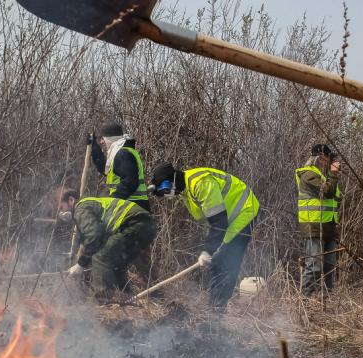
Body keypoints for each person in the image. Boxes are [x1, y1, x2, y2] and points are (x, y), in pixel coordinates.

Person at [147, 163, 260, 311]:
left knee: (224, 260)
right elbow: (211, 219)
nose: (167, 196)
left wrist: (208, 250)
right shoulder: (186, 190)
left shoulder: (201, 183)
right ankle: (214, 307)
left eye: (165, 191)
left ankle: (217, 311)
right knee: (217, 261)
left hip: (244, 212)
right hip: (227, 220)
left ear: (171, 183)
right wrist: (211, 248)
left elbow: (218, 221)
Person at [57, 189, 155, 301]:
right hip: (146, 225)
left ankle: (104, 300)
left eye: (61, 208)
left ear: (71, 200)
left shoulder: (80, 208)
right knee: (116, 264)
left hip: (133, 224)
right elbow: (93, 239)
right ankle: (127, 299)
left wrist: (81, 264)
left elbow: (93, 236)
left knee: (100, 257)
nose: (61, 213)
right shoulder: (89, 204)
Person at [296, 144, 342, 297]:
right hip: (313, 227)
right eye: (325, 159)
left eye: (328, 160)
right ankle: (305, 301)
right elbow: (327, 192)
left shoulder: (324, 176)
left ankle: (327, 302)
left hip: (329, 228)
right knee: (314, 267)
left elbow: (335, 200)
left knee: (330, 267)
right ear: (317, 158)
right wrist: (334, 173)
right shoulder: (308, 174)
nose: (327, 163)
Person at [89, 122, 149, 211]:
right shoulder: (120, 152)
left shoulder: (122, 154)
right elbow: (105, 169)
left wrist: (112, 200)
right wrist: (94, 146)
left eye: (102, 138)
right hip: (131, 205)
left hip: (132, 207)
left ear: (109, 139)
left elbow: (130, 182)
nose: (101, 142)